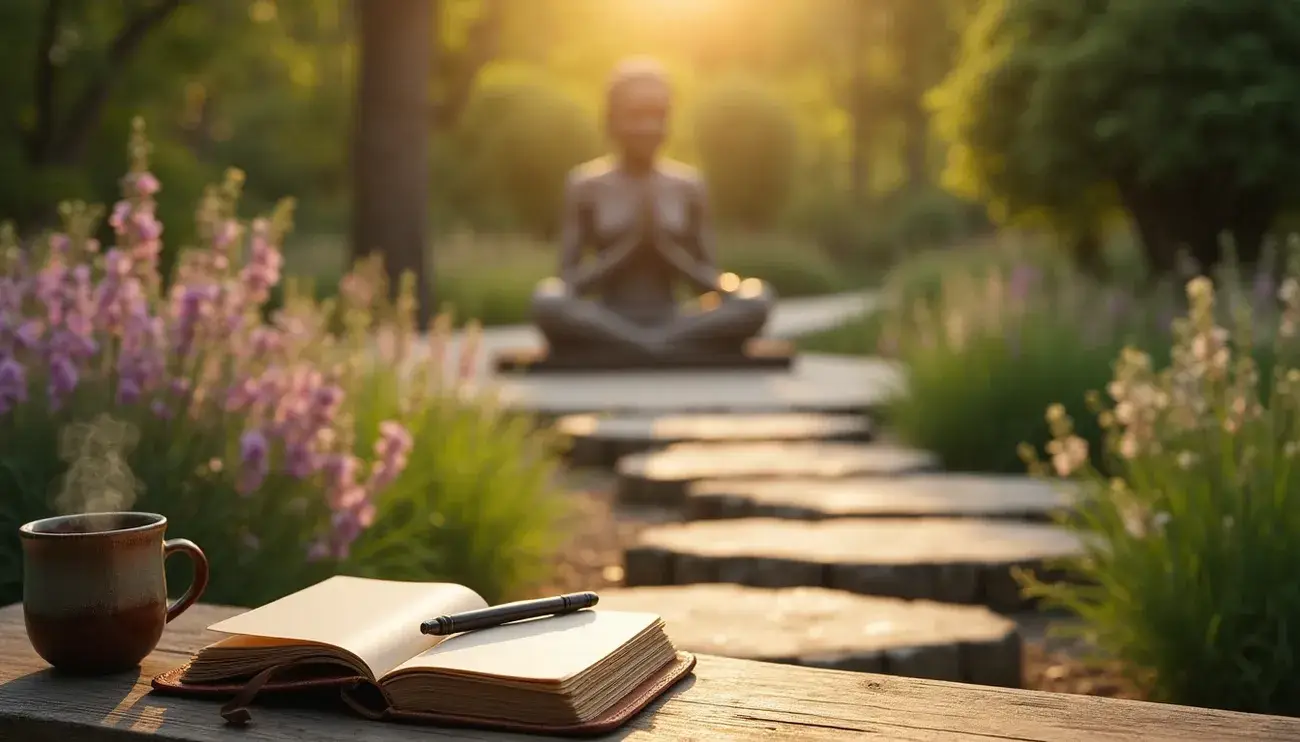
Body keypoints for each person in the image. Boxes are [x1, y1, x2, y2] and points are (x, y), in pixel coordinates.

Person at [530, 57, 775, 360]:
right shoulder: (586, 185)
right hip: (609, 317)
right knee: (546, 300)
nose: (649, 127)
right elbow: (566, 284)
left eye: (659, 116)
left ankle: (643, 345)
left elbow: (710, 283)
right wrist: (627, 249)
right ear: (611, 119)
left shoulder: (688, 185)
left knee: (757, 297)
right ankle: (657, 346)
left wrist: (665, 250)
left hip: (674, 317)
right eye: (636, 116)